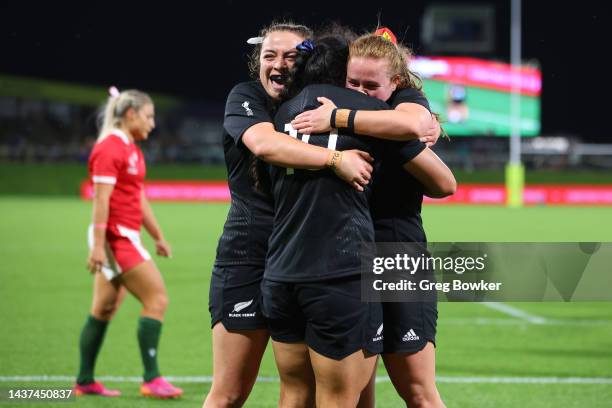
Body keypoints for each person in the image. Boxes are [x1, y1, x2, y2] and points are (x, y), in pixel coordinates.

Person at [204, 22, 374, 408]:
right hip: (248, 257)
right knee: (229, 393)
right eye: (269, 55)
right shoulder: (245, 97)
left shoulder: (322, 105)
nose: (279, 64)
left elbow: (386, 99)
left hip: (303, 264)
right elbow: (264, 144)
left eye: (290, 56)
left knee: (309, 391)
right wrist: (335, 159)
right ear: (257, 62)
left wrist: (424, 118)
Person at [289, 30, 453, 407]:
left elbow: (445, 183)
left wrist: (338, 117)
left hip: (396, 251)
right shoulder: (351, 107)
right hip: (345, 258)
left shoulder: (401, 105)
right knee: (357, 389)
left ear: (395, 82)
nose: (361, 92)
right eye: (353, 83)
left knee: (418, 391)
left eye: (371, 85)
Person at [75, 88, 183, 399]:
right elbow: (100, 200)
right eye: (149, 116)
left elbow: (137, 195)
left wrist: (157, 235)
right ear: (131, 115)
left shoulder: (130, 148)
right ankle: (152, 379)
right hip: (115, 237)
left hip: (124, 235)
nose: (153, 123)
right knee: (157, 299)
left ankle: (84, 381)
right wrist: (97, 246)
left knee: (104, 308)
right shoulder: (110, 149)